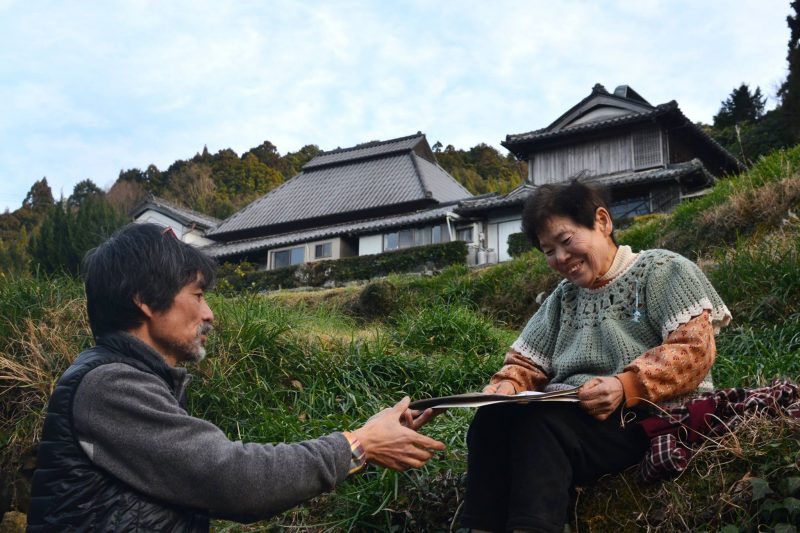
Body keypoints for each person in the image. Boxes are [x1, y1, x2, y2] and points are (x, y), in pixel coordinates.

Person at [27, 222, 444, 532]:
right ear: (144, 301)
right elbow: (233, 479)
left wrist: (370, 441)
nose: (209, 314)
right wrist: (358, 445)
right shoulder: (108, 386)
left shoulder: (129, 380)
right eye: (198, 295)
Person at [460, 180, 731, 533]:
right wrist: (506, 387)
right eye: (548, 250)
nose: (559, 258)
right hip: (576, 417)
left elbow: (693, 350)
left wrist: (625, 385)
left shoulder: (664, 270)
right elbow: (525, 362)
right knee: (490, 420)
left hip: (647, 418)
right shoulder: (563, 298)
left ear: (602, 221)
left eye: (566, 241)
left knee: (542, 424)